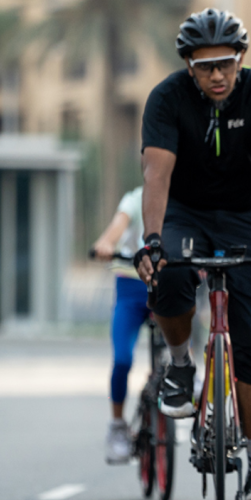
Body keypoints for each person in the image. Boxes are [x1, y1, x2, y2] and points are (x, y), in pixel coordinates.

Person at [134, 8, 251, 500]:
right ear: (189, 65)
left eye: (226, 63)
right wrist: (152, 240)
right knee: (170, 276)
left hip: (249, 216)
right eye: (205, 66)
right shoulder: (166, 98)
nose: (217, 75)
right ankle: (180, 365)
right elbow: (156, 174)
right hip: (185, 212)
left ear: (241, 59)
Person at [92, 186, 149, 464]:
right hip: (130, 288)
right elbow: (117, 227)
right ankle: (117, 425)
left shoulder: (183, 195)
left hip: (168, 284)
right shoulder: (135, 199)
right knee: (123, 359)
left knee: (180, 344)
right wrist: (106, 243)